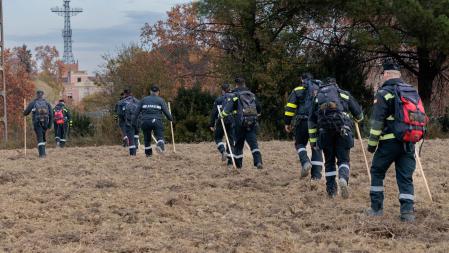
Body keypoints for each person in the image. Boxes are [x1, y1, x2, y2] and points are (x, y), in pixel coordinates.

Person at [365, 60, 426, 222]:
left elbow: (377, 122)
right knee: (405, 176)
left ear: (386, 74)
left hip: (389, 143)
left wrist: (372, 144)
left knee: (377, 171)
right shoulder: (411, 92)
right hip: (408, 141)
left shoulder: (384, 93)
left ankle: (376, 208)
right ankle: (407, 212)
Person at [308, 77, 363, 198]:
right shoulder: (344, 94)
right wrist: (355, 119)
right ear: (335, 84)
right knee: (344, 160)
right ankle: (343, 178)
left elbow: (311, 121)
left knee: (329, 162)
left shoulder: (317, 98)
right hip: (343, 131)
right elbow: (359, 115)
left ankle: (331, 191)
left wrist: (313, 141)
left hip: (324, 133)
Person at [284, 73, 323, 181]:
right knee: (316, 146)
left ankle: (305, 162)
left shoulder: (297, 90)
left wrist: (287, 123)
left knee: (299, 143)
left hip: (302, 122)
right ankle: (316, 177)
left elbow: (290, 108)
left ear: (302, 79)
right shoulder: (320, 90)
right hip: (316, 123)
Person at [221, 77, 263, 169]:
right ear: (244, 84)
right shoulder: (251, 94)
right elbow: (259, 108)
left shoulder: (235, 95)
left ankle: (238, 165)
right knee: (254, 144)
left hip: (239, 123)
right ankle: (258, 162)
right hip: (251, 122)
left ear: (236, 84)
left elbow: (228, 108)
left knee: (239, 145)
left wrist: (222, 115)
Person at [134, 85, 173, 157]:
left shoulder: (143, 100)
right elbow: (166, 112)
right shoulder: (160, 100)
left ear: (150, 92)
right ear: (158, 92)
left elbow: (136, 112)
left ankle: (149, 155)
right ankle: (160, 145)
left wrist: (133, 122)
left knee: (147, 139)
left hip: (145, 121)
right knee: (160, 136)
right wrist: (170, 118)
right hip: (156, 120)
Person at [209, 83, 235, 163]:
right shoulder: (234, 97)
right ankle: (230, 162)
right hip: (231, 121)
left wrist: (211, 124)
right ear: (229, 89)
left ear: (222, 90)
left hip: (222, 120)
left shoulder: (219, 99)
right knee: (230, 140)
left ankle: (223, 151)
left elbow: (214, 112)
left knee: (218, 138)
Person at [23, 90, 53, 158]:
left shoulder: (33, 103)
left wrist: (23, 112)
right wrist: (49, 125)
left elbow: (26, 113)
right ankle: (43, 152)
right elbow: (51, 114)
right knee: (43, 137)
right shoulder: (47, 103)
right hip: (46, 122)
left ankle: (42, 154)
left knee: (40, 138)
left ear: (37, 95)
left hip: (37, 123)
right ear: (43, 95)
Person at [118, 89, 140, 156]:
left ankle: (133, 155)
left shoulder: (121, 102)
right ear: (131, 93)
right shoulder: (138, 101)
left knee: (131, 138)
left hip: (128, 122)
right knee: (136, 135)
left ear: (124, 94)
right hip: (138, 121)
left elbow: (120, 114)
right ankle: (136, 146)